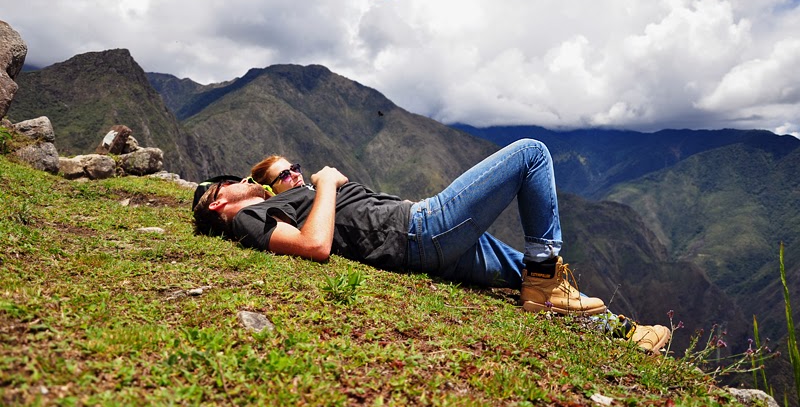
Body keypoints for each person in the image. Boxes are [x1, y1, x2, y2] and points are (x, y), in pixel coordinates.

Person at [193, 139, 670, 353]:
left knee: (527, 276)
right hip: (419, 230)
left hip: (421, 238)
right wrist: (329, 182)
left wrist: (316, 188)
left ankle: (623, 334)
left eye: (292, 170)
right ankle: (547, 282)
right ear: (218, 202)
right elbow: (315, 246)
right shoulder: (249, 219)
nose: (292, 176)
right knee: (532, 154)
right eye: (230, 184)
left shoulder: (277, 205)